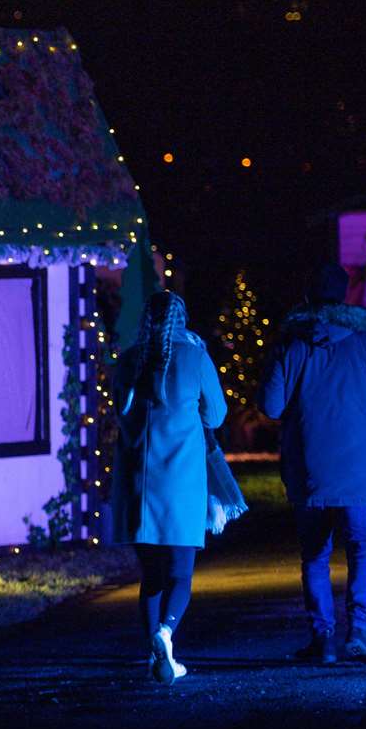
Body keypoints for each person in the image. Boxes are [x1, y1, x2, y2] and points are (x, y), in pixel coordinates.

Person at [261, 263, 366, 667]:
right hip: (361, 470)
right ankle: (360, 631)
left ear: (308, 296)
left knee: (315, 554)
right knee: (361, 550)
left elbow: (271, 405)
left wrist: (279, 355)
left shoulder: (294, 343)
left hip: (310, 469)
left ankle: (322, 639)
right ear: (345, 296)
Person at [112, 290, 229, 685]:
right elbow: (216, 413)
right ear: (182, 319)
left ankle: (156, 657)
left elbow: (118, 411)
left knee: (151, 576)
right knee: (181, 573)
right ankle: (166, 632)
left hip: (141, 483)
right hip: (183, 479)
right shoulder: (194, 356)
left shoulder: (130, 360)